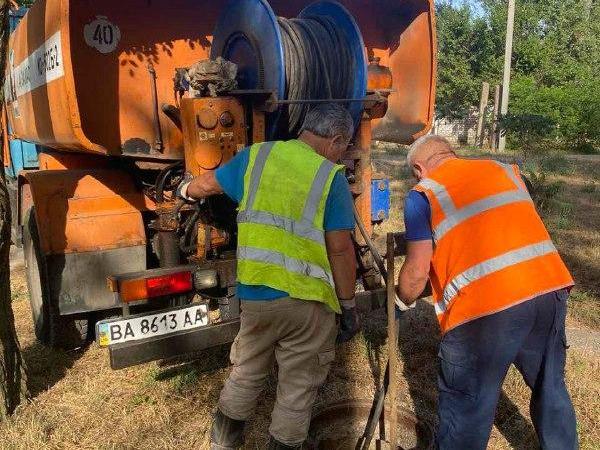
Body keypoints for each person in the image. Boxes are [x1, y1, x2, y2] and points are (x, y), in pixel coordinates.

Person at [177, 103, 361, 449]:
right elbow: (340, 249)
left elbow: (208, 183)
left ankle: (222, 445)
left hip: (257, 296)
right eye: (344, 147)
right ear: (335, 140)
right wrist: (348, 304)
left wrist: (183, 192)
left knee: (246, 372)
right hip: (308, 303)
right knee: (297, 387)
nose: (342, 155)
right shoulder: (329, 177)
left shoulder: (257, 157)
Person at [395, 135, 577, 450]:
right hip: (548, 287)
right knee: (551, 387)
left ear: (418, 169)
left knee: (466, 407)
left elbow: (416, 272)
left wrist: (401, 300)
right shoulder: (505, 170)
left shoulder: (423, 194)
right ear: (451, 154)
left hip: (483, 310)